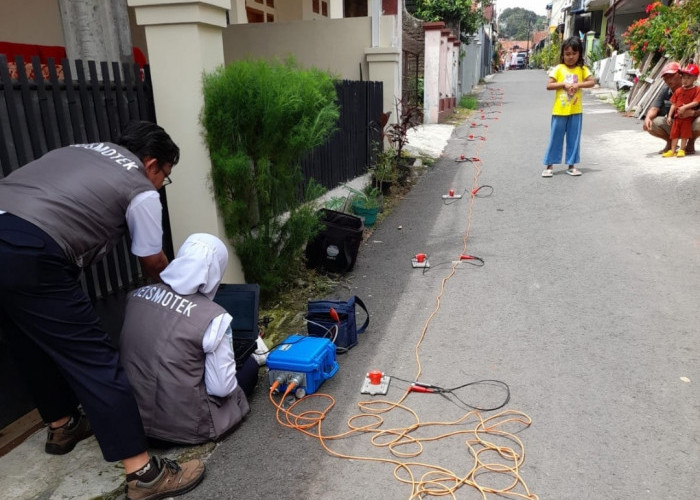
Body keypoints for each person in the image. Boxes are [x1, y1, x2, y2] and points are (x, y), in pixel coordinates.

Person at [0, 121, 205, 500]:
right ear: (152, 165)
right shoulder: (139, 187)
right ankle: (143, 474)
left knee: (26, 339)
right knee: (95, 359)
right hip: (32, 249)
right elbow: (151, 259)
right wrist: (184, 293)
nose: (162, 186)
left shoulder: (79, 149)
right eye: (166, 177)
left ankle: (62, 424)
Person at [119, 233, 259, 445]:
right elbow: (221, 388)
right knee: (250, 365)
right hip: (182, 428)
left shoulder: (136, 296)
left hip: (133, 420)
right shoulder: (214, 317)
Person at [542, 36, 595, 177]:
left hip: (576, 111)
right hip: (559, 110)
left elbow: (592, 82)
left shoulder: (582, 69)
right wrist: (564, 85)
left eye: (574, 53)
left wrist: (578, 85)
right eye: (567, 54)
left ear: (579, 54)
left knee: (574, 139)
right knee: (555, 138)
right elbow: (549, 85)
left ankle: (571, 165)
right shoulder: (558, 69)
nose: (570, 57)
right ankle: (549, 166)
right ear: (562, 55)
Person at [643, 61, 700, 155]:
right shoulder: (666, 90)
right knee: (652, 123)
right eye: (665, 77)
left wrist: (693, 113)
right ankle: (671, 143)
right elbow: (654, 108)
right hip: (675, 122)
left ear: (679, 75)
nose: (668, 80)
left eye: (671, 76)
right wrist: (648, 118)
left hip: (691, 122)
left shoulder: (696, 89)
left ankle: (691, 141)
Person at [662, 63, 700, 158]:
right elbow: (673, 104)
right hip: (677, 117)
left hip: (687, 118)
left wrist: (685, 107)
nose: (685, 80)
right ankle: (673, 150)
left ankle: (682, 150)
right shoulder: (678, 90)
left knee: (684, 134)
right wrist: (670, 116)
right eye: (683, 78)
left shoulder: (697, 90)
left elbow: (696, 102)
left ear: (695, 78)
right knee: (674, 134)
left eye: (688, 78)